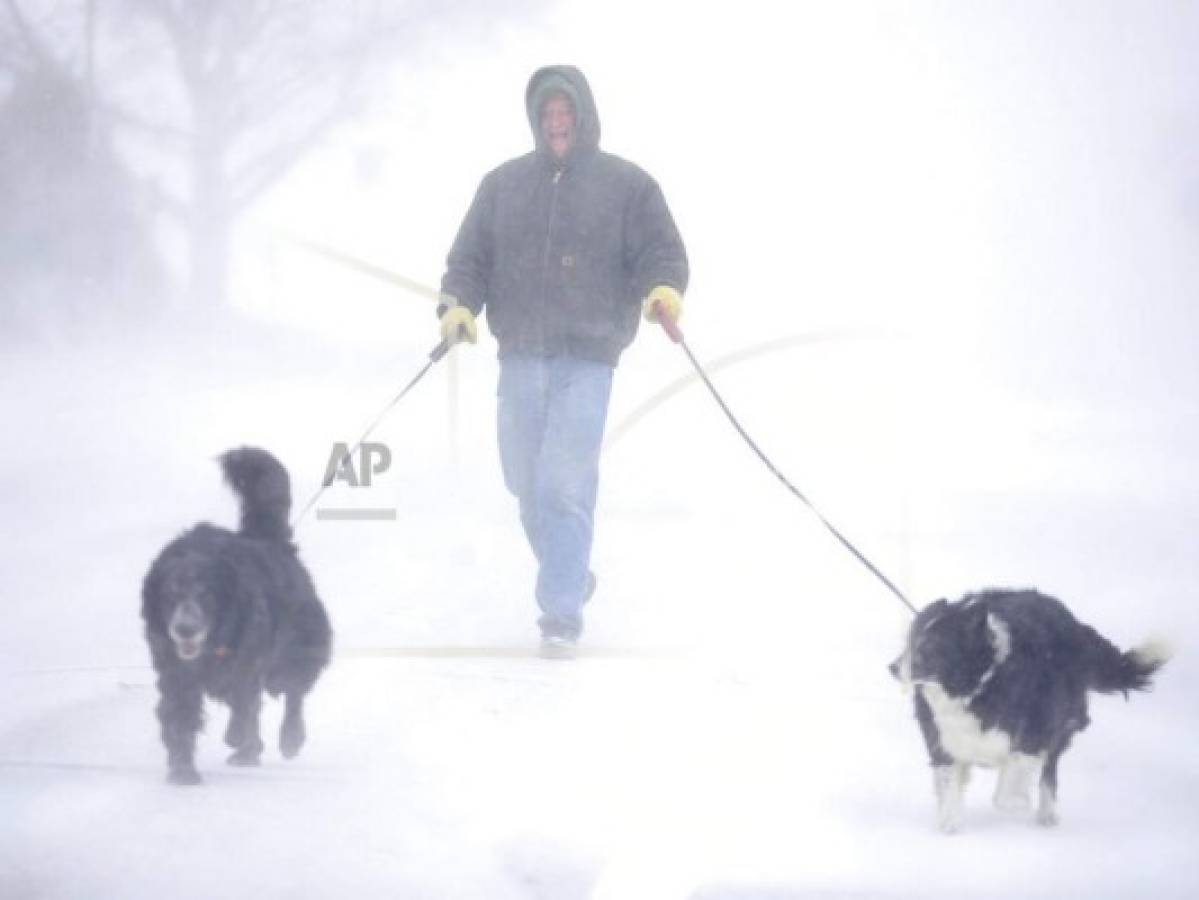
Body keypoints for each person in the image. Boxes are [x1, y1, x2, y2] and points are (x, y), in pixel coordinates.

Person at [437, 65, 689, 658]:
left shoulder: (629, 186)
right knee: (525, 482)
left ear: (583, 116)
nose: (557, 125)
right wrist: (458, 309)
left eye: (565, 114)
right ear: (535, 120)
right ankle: (570, 572)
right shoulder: (502, 186)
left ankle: (560, 614)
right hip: (520, 353)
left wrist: (662, 290)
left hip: (590, 356)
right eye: (548, 116)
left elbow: (661, 251)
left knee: (562, 484)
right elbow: (468, 260)